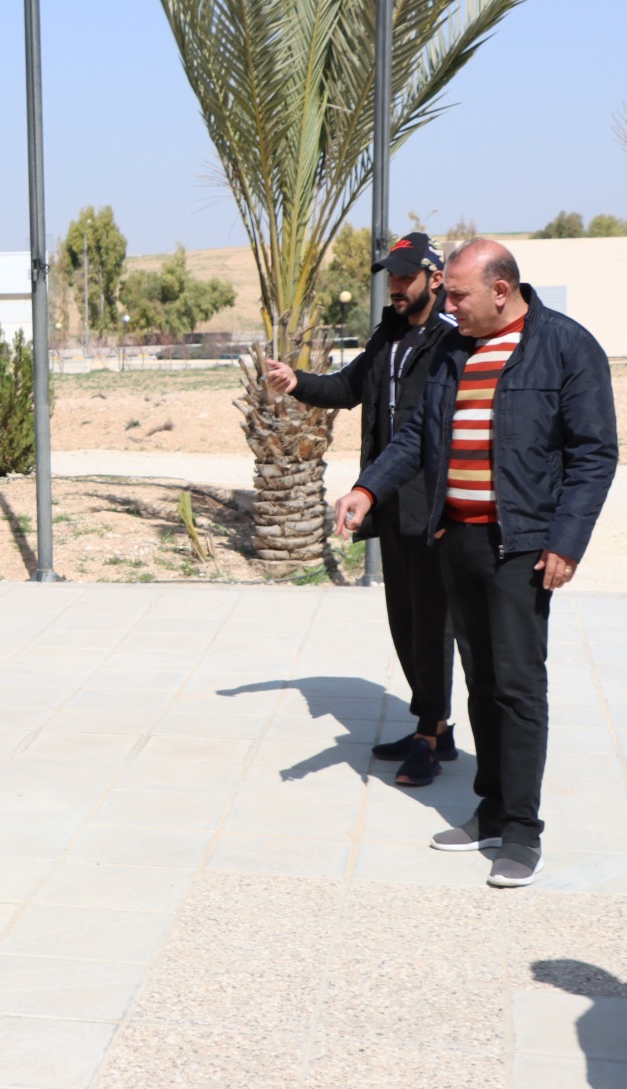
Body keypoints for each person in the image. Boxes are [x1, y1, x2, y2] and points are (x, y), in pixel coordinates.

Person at [334, 240, 617, 887]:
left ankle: (522, 829)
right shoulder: (453, 352)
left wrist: (566, 540)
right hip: (455, 539)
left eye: (458, 294)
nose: (448, 304)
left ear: (501, 288)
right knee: (481, 682)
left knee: (518, 686)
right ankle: (490, 808)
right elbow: (416, 436)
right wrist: (368, 487)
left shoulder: (566, 347)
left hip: (519, 545)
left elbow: (593, 453)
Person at [266, 233, 457, 786]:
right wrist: (297, 381)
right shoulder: (388, 336)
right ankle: (435, 727)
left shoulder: (450, 341)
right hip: (389, 501)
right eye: (391, 277)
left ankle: (429, 731)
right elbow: (348, 388)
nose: (395, 286)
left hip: (432, 505)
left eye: (405, 277)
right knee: (404, 621)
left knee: (432, 626)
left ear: (435, 279)